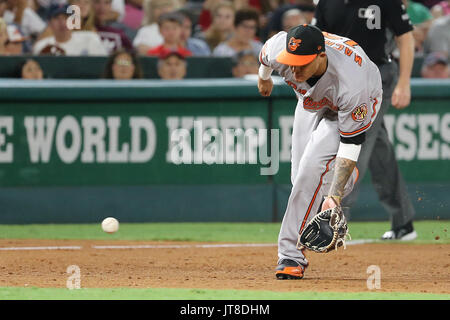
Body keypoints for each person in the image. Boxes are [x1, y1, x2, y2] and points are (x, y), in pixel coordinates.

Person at [258, 24, 382, 279]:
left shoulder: (353, 84)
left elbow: (351, 143)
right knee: (299, 180)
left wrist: (334, 197)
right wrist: (263, 76)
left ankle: (290, 256)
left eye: (301, 63)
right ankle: (343, 179)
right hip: (312, 102)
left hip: (352, 105)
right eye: (291, 62)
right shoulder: (281, 51)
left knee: (310, 172)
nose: (294, 69)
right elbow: (265, 55)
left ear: (321, 57)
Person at [314, 0, 418, 240]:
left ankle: (334, 223)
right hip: (340, 79)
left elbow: (405, 37)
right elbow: (317, 40)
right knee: (377, 146)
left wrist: (404, 81)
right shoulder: (327, 2)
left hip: (377, 77)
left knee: (354, 143)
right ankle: (403, 222)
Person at [33, 4, 108, 56]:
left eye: (66, 17)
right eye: (56, 18)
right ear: (49, 23)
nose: (62, 22)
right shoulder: (41, 46)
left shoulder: (90, 38)